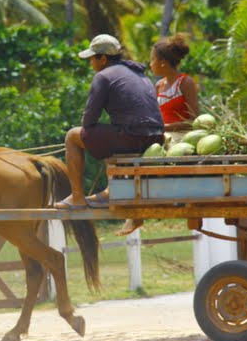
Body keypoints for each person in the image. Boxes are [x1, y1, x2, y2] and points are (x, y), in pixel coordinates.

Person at [55, 34, 164, 209]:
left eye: (92, 59)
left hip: (132, 138)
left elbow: (88, 121)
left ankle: (77, 197)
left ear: (103, 58)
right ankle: (110, 189)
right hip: (157, 138)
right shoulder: (139, 73)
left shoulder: (103, 76)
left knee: (72, 136)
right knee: (108, 134)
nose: (91, 64)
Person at [117, 33, 200, 235]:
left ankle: (139, 213)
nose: (150, 64)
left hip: (181, 137)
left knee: (156, 159)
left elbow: (195, 120)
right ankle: (135, 211)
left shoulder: (185, 83)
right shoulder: (158, 86)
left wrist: (167, 128)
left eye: (153, 59)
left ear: (163, 63)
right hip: (162, 136)